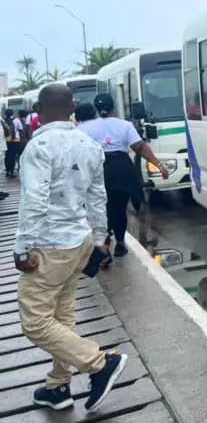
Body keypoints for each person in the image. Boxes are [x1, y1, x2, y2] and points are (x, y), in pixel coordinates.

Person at [14, 83, 127, 412]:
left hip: (49, 245)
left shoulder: (39, 146)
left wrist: (23, 248)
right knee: (61, 318)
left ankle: (99, 363)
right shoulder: (89, 144)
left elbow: (33, 202)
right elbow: (97, 197)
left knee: (35, 322)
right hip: (80, 240)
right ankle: (58, 386)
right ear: (74, 107)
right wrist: (101, 239)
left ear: (38, 108)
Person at [78, 93, 168, 257]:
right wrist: (159, 165)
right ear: (113, 108)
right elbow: (140, 148)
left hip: (98, 171)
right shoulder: (124, 125)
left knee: (100, 209)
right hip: (121, 170)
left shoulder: (83, 128)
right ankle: (120, 243)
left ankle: (103, 244)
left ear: (97, 109)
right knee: (119, 208)